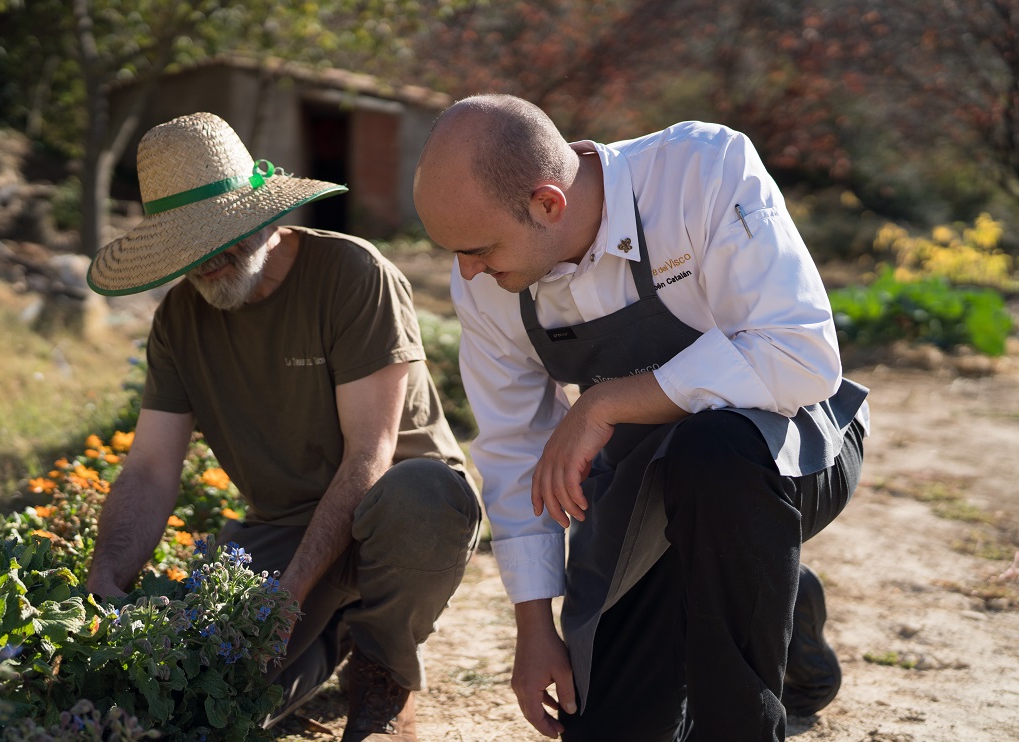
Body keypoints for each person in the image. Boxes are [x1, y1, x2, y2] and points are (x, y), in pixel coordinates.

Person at [412, 94, 869, 741]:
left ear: (548, 203)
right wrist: (534, 627)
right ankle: (777, 592)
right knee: (608, 729)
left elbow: (799, 354)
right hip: (640, 495)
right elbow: (516, 452)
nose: (466, 271)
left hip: (788, 455)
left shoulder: (703, 170)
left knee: (711, 456)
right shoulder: (488, 282)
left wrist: (606, 401)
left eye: (478, 248)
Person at [85, 112, 481, 742]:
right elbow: (151, 468)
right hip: (284, 527)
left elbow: (369, 456)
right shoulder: (179, 322)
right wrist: (106, 579)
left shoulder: (351, 274)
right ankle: (338, 637)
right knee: (207, 697)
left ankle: (384, 668)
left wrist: (287, 596)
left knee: (421, 499)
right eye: (193, 246)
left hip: (393, 511)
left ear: (267, 216)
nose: (213, 260)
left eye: (227, 236)